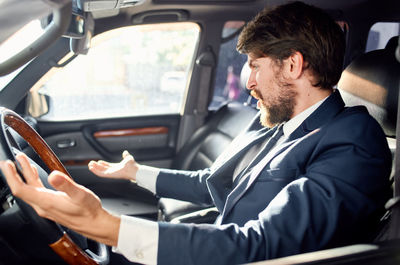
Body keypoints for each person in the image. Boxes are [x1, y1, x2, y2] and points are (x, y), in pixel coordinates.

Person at [0, 1, 392, 265]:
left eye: (256, 66)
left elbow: (263, 243)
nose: (248, 82)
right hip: (215, 240)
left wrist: (109, 226)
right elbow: (214, 185)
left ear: (292, 65)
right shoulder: (278, 120)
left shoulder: (354, 141)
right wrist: (136, 174)